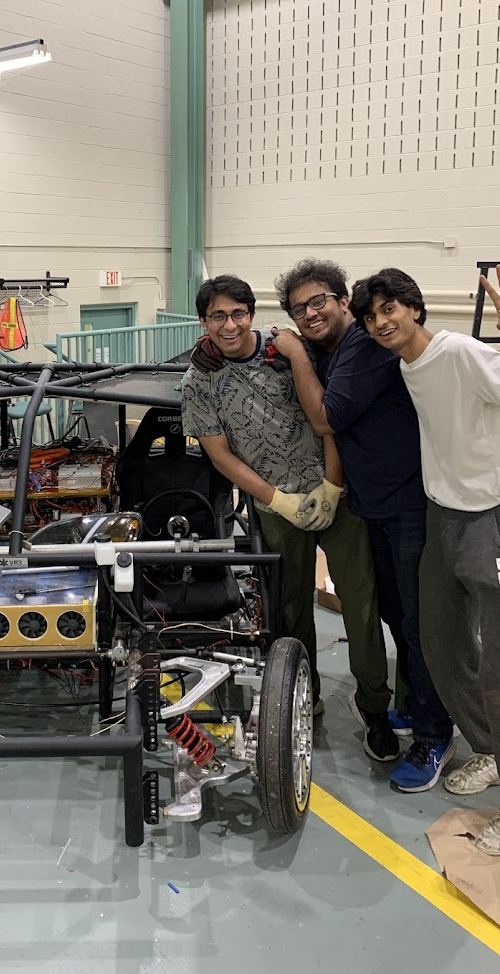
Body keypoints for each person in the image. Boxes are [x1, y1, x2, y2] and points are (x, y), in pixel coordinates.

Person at [349, 264, 500, 855]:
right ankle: (493, 752)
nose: (381, 323)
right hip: (440, 520)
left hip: (489, 523)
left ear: (414, 308)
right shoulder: (407, 365)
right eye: (371, 317)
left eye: (389, 310)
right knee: (442, 651)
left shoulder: (462, 352)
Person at [181, 274, 397, 761]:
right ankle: (303, 694)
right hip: (274, 508)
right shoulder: (199, 380)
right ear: (203, 322)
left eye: (238, 313)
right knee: (290, 610)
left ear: (252, 314)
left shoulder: (289, 355)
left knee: (361, 604)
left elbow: (327, 419)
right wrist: (277, 500)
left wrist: (332, 485)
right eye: (217, 316)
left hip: (334, 496)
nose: (229, 324)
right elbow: (219, 455)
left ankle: (375, 708)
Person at [269, 259, 454, 793]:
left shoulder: (363, 349)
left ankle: (435, 733)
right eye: (299, 309)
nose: (310, 313)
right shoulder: (337, 351)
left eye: (320, 300)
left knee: (419, 625)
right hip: (372, 505)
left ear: (341, 300)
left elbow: (326, 418)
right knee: (396, 615)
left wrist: (297, 354)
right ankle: (416, 707)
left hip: (409, 504)